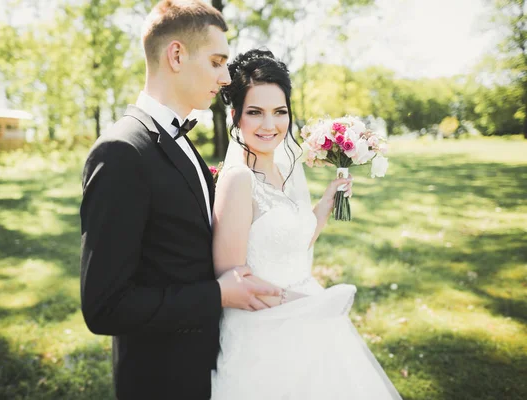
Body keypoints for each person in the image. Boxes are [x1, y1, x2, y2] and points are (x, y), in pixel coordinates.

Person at [79, 3, 280, 399]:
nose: (226, 78)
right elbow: (105, 306)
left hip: (206, 365)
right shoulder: (122, 151)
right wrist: (218, 294)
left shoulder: (179, 139)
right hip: (161, 378)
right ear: (176, 55)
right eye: (217, 61)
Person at [210, 49, 402, 399]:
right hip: (264, 336)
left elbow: (293, 244)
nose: (270, 125)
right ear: (236, 115)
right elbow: (231, 282)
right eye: (255, 112)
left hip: (308, 313)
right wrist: (302, 303)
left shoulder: (283, 168)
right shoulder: (238, 179)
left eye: (279, 112)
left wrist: (326, 203)